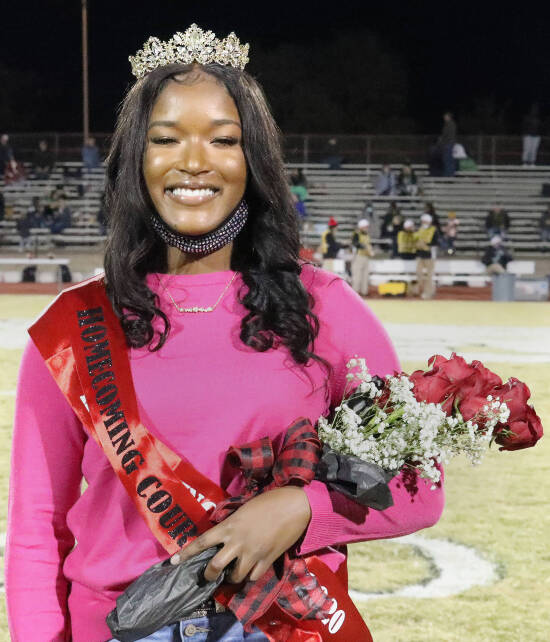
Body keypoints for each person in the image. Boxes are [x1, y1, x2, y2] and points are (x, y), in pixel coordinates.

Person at [6, 25, 444, 642]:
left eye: (222, 139)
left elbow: (419, 487)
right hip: (117, 625)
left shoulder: (326, 308)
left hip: (282, 623)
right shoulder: (73, 328)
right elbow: (36, 529)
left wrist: (301, 509)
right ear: (137, 159)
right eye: (165, 139)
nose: (193, 161)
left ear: (251, 160)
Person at [414, 213, 439, 299]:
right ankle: (421, 290)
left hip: (430, 256)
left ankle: (428, 293)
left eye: (425, 221)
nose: (423, 222)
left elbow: (435, 243)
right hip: (420, 254)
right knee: (419, 273)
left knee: (429, 276)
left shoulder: (433, 230)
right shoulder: (420, 229)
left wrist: (426, 245)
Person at [350, 219, 374, 297]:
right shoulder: (356, 234)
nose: (367, 228)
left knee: (365, 275)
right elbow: (355, 243)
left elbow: (369, 245)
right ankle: (355, 293)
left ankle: (364, 292)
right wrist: (364, 247)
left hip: (366, 257)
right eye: (365, 227)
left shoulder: (367, 235)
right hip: (358, 257)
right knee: (357, 276)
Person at [439, 112, 457, 177]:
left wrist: (442, 141)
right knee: (448, 159)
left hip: (448, 144)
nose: (444, 118)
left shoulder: (450, 124)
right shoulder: (449, 124)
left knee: (447, 159)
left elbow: (446, 135)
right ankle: (449, 174)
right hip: (448, 143)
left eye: (446, 116)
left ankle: (448, 174)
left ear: (449, 117)